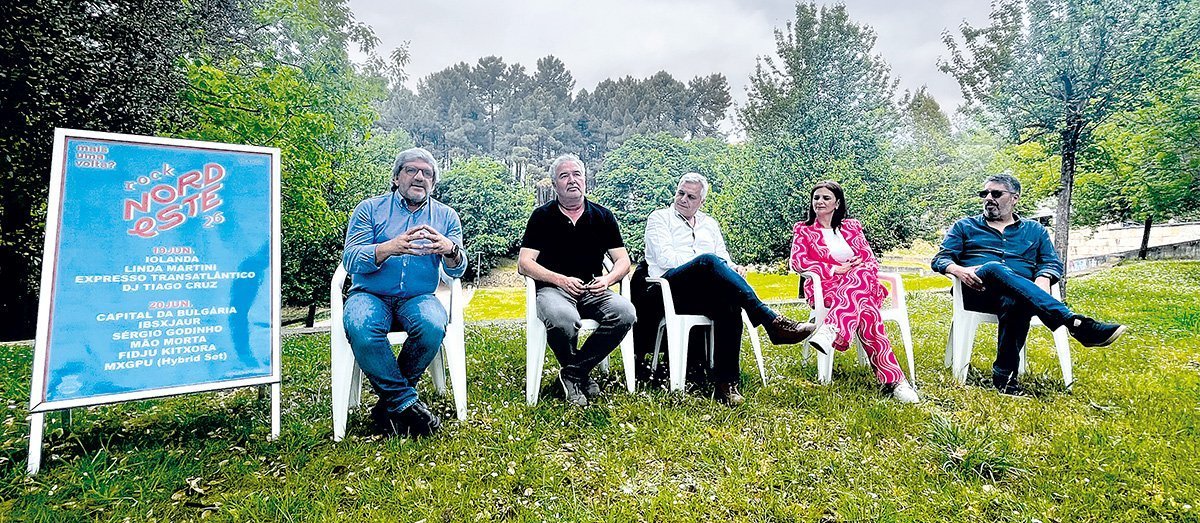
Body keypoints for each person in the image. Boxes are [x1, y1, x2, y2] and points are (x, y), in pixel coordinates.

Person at [932, 173, 1127, 395]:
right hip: (977, 290)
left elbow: (1051, 262)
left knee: (1016, 302)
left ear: (1014, 198)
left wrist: (1043, 278)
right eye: (984, 193)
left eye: (996, 193)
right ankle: (1075, 323)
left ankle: (1004, 379)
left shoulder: (1035, 230)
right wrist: (958, 270)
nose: (988, 198)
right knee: (994, 267)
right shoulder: (965, 226)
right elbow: (941, 259)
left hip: (1020, 295)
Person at [639, 173, 817, 406]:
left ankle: (726, 383)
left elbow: (724, 258)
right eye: (680, 193)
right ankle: (770, 320)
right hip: (669, 289)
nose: (683, 199)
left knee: (729, 303)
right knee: (708, 261)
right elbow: (666, 259)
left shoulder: (709, 224)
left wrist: (732, 268)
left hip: (703, 291)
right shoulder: (660, 218)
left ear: (701, 201)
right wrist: (707, 263)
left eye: (691, 197)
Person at [341, 147, 466, 437]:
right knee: (361, 325)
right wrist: (389, 248)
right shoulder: (369, 209)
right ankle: (405, 403)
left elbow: (457, 271)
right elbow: (351, 259)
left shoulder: (446, 217)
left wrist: (450, 250)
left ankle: (389, 407)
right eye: (411, 170)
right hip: (370, 294)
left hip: (418, 297)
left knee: (433, 325)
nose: (419, 177)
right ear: (396, 177)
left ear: (433, 183)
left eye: (427, 173)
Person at [518, 154, 637, 407]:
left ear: (585, 180)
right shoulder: (541, 217)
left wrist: (607, 280)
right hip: (553, 290)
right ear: (555, 185)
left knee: (625, 313)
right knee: (563, 319)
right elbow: (524, 263)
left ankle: (574, 372)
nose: (572, 180)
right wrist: (560, 280)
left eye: (577, 174)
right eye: (564, 176)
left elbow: (623, 261)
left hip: (593, 289)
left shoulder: (603, 216)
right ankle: (579, 375)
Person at [789, 181, 920, 403]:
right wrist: (834, 269)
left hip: (861, 283)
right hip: (827, 288)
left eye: (826, 198)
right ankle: (896, 381)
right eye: (816, 197)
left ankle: (832, 328)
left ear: (837, 203)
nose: (819, 202)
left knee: (861, 273)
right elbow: (798, 262)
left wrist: (856, 267)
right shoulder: (804, 230)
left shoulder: (851, 227)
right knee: (867, 312)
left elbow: (870, 260)